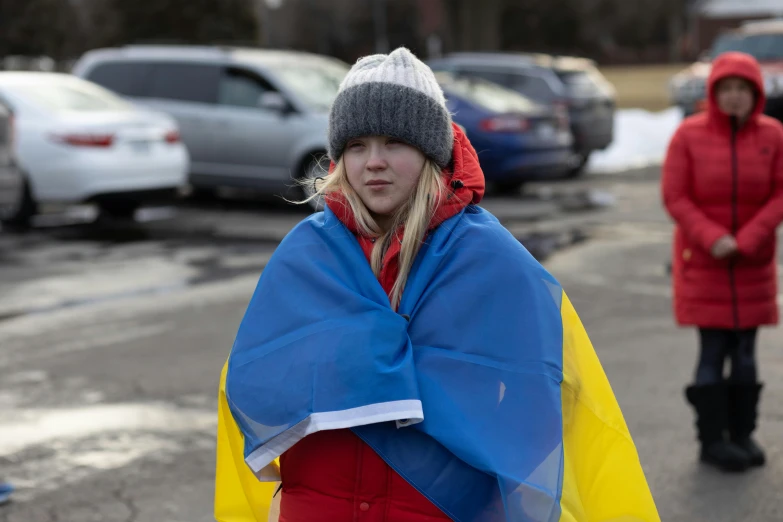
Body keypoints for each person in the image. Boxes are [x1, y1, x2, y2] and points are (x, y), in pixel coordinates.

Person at [215, 47, 659, 522]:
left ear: (429, 151)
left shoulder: (492, 260)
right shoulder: (306, 255)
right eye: (357, 146)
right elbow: (254, 379)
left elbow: (544, 399)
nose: (374, 162)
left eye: (394, 143)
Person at [662, 51, 783, 473]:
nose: (734, 97)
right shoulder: (688, 136)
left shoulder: (774, 135)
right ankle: (713, 441)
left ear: (756, 94)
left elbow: (779, 195)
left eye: (742, 90)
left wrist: (746, 239)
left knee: (747, 352)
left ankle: (743, 433)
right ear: (714, 93)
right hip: (705, 263)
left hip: (753, 263)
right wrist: (714, 239)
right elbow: (676, 196)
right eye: (726, 89)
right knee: (713, 350)